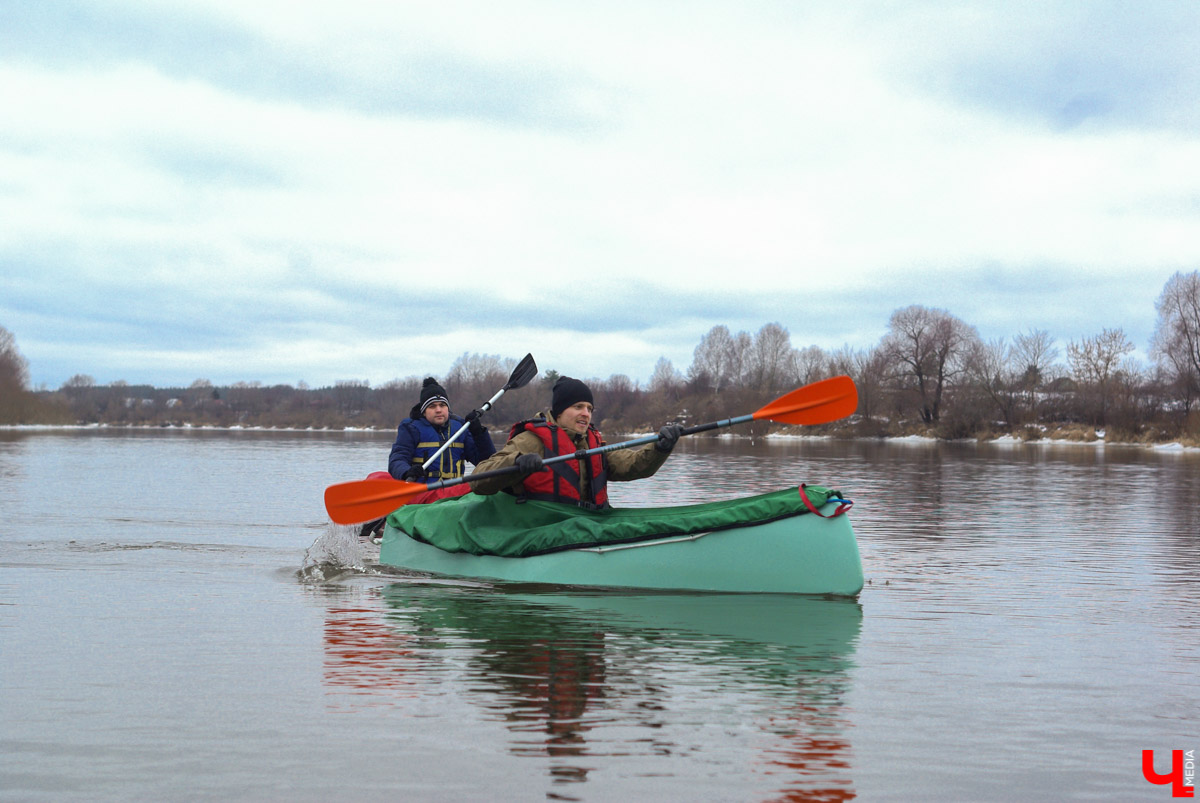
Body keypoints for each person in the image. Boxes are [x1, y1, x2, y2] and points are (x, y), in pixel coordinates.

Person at [469, 376, 684, 509]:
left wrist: (660, 448)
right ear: (559, 412)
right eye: (578, 407)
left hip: (583, 525)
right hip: (541, 528)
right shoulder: (531, 441)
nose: (586, 414)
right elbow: (479, 479)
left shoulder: (593, 443)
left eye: (589, 409)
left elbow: (633, 465)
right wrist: (516, 463)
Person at [388, 377, 497, 482]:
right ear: (424, 411)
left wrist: (479, 434)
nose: (438, 410)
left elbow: (487, 462)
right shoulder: (410, 428)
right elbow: (397, 459)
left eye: (442, 405)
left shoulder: (460, 428)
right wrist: (406, 472)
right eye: (432, 406)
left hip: (455, 490)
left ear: (448, 408)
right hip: (424, 490)